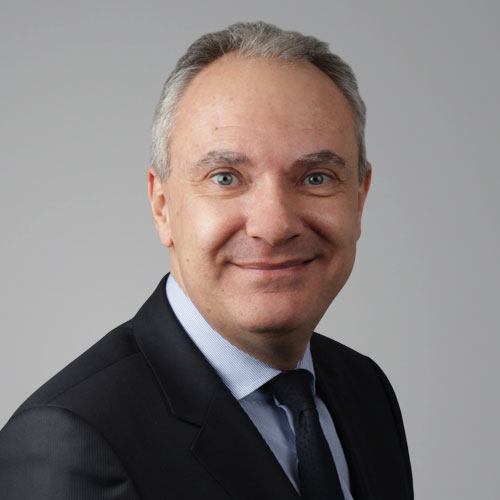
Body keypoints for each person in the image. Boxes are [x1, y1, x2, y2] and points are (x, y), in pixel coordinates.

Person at [0, 21, 413, 500]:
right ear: (162, 207)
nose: (275, 225)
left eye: (316, 178)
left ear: (359, 201)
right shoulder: (70, 444)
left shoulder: (364, 389)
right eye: (225, 178)